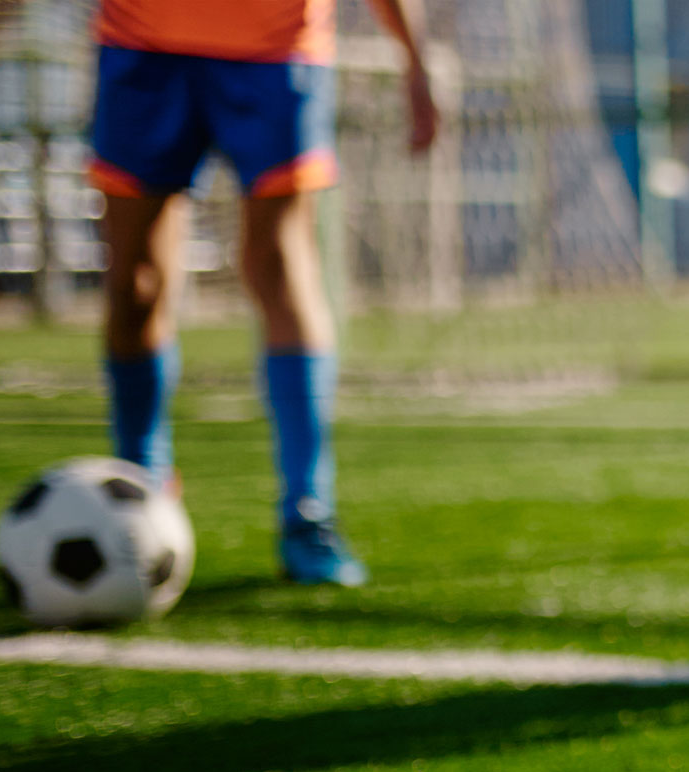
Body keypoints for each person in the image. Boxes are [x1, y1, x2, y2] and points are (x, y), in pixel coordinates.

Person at [87, 0, 441, 586]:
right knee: (135, 285)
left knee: (279, 263)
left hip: (277, 49)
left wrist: (415, 58)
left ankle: (308, 511)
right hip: (142, 42)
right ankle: (141, 492)